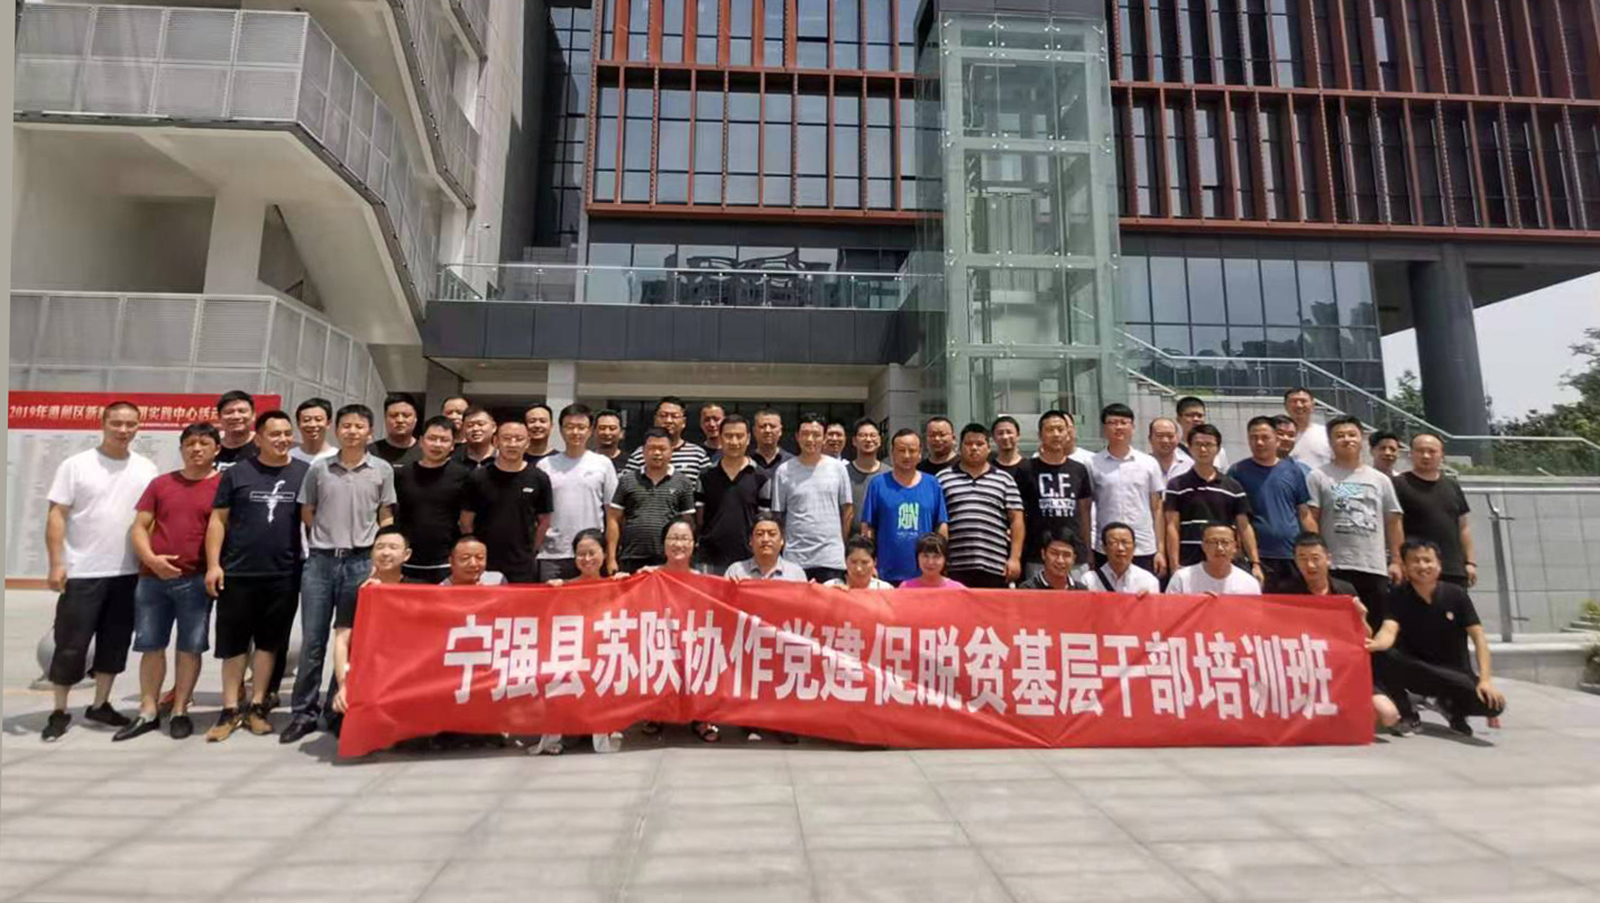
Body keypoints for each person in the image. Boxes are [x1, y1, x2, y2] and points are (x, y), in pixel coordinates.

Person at [40, 401, 159, 741]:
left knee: (115, 642)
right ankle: (59, 711)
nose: (123, 430)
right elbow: (57, 515)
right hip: (82, 571)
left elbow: (149, 519)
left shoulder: (146, 468)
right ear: (103, 423)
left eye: (130, 424)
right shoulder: (76, 465)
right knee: (70, 643)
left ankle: (100, 704)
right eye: (117, 423)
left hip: (128, 572)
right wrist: (57, 563)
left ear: (139, 426)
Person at [282, 404, 397, 745]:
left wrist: (380, 555)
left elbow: (385, 513)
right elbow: (307, 511)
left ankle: (337, 709)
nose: (352, 431)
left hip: (361, 562)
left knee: (351, 639)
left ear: (370, 432)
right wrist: (325, 538)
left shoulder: (382, 469)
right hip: (320, 562)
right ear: (337, 430)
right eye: (346, 426)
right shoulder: (319, 468)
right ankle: (303, 712)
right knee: (313, 640)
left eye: (359, 426)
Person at [204, 411, 310, 742]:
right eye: (275, 434)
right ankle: (229, 708)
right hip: (238, 572)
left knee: (269, 644)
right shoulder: (237, 473)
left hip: (284, 573)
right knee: (233, 644)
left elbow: (311, 520)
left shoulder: (304, 473)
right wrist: (213, 565)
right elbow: (218, 520)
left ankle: (258, 705)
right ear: (259, 438)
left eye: (287, 433)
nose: (283, 439)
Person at [119, 422, 221, 741]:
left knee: (190, 647)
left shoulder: (223, 486)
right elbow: (139, 526)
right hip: (153, 580)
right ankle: (148, 710)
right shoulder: (161, 484)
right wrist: (151, 560)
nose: (196, 449)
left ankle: (179, 709)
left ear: (217, 449)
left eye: (204, 443)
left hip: (196, 580)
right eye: (190, 443)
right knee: (151, 645)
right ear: (181, 449)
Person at [1269, 532, 1402, 730]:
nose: (1310, 565)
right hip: (1301, 669)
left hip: (1342, 669)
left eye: (1315, 558)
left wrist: (1362, 617)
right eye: (1302, 558)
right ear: (1295, 561)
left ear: (1328, 559)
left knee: (1388, 715)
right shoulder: (1285, 590)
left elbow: (1365, 637)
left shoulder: (1345, 589)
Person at [1374, 539, 1506, 736]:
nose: (1422, 566)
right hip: (1417, 669)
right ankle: (1407, 714)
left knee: (1493, 705)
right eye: (1415, 561)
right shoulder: (1397, 596)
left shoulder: (1456, 595)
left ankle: (1452, 708)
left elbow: (1479, 637)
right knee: (1383, 655)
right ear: (1405, 566)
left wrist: (1485, 680)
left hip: (1453, 672)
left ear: (1439, 565)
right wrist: (1376, 643)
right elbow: (1388, 630)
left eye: (1428, 560)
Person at [537, 527, 628, 756]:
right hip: (573, 657)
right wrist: (551, 592)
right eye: (580, 554)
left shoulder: (617, 585)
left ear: (605, 554)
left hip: (605, 656)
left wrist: (628, 583)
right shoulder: (563, 586)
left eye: (592, 553)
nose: (586, 559)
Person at [1307, 415, 1405, 619]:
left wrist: (1397, 560)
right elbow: (1311, 518)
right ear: (1330, 441)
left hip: (1374, 567)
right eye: (1340, 435)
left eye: (1352, 434)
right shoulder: (1318, 476)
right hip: (1336, 566)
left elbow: (1393, 522)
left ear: (1362, 439)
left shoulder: (1380, 480)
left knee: (1375, 626)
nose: (1347, 439)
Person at [328, 527, 421, 723]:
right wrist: (343, 684)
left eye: (393, 547)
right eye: (380, 547)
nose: (385, 553)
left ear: (407, 555)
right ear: (371, 553)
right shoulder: (357, 592)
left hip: (403, 674)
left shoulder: (418, 590)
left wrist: (387, 597)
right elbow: (342, 641)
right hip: (366, 672)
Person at [459, 420, 553, 584]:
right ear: (496, 441)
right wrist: (477, 553)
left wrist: (531, 550)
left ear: (527, 442)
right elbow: (466, 521)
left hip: (522, 563)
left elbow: (544, 521)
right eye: (507, 438)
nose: (512, 444)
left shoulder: (539, 478)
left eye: (519, 439)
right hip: (484, 563)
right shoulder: (478, 477)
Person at [1164, 424, 1261, 579]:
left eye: (1208, 445)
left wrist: (1255, 563)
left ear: (1218, 449)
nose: (1203, 449)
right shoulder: (1176, 485)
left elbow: (1244, 527)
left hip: (1224, 559)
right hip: (1189, 559)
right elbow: (1172, 526)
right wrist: (1174, 564)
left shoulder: (1233, 487)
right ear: (1189, 447)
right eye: (1198, 444)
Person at [536, 404, 620, 582]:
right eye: (569, 427)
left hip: (592, 555)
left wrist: (611, 556)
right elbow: (538, 515)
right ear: (560, 430)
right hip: (552, 555)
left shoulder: (603, 464)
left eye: (581, 427)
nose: (575, 432)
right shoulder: (545, 465)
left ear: (590, 431)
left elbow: (612, 515)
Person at [1230, 416, 1317, 587]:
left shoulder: (1294, 471)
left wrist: (1315, 545)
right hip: (1256, 557)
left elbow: (1304, 514)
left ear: (1277, 440)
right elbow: (1232, 516)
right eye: (1254, 438)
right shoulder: (1237, 471)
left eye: (1265, 437)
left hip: (1291, 555)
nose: (1259, 442)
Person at [936, 423, 1024, 588]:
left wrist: (1014, 558)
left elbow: (1017, 520)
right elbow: (938, 522)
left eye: (979, 444)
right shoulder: (942, 478)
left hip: (995, 565)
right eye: (969, 444)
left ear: (989, 448)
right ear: (960, 447)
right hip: (955, 565)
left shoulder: (1004, 479)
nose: (974, 448)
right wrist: (941, 558)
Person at [770, 414, 853, 583]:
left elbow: (848, 510)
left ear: (824, 438)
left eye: (816, 435)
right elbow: (778, 515)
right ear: (797, 437)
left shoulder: (838, 468)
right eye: (805, 434)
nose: (810, 439)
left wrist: (840, 542)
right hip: (795, 559)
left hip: (830, 558)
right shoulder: (784, 471)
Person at [860, 429, 949, 586]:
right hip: (886, 572)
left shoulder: (932, 484)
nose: (907, 456)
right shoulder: (878, 484)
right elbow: (868, 528)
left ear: (920, 453)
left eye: (912, 450)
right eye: (901, 450)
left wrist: (940, 562)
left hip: (925, 573)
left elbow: (941, 526)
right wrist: (869, 561)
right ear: (892, 453)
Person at [1016, 410, 1094, 582]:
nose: (1056, 434)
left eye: (1060, 429)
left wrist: (1088, 550)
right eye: (1050, 430)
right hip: (1037, 554)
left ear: (1068, 433)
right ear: (1040, 435)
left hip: (1074, 555)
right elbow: (1018, 515)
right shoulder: (1026, 469)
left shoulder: (1079, 469)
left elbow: (1084, 512)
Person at [1089, 403, 1167, 576]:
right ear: (1104, 428)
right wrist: (1089, 548)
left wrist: (1160, 549)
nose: (1118, 427)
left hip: (1143, 545)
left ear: (1133, 427)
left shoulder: (1148, 463)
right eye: (1112, 422)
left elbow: (1157, 509)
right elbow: (1086, 508)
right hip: (1105, 547)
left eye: (1124, 422)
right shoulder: (1093, 463)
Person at [608, 428, 698, 575]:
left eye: (662, 449)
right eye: (651, 448)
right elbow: (613, 518)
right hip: (631, 556)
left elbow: (688, 523)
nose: (657, 453)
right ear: (643, 451)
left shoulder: (683, 483)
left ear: (671, 451)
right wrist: (611, 558)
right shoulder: (627, 480)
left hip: (668, 559)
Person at [1392, 432, 1476, 587]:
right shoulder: (1398, 484)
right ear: (1411, 454)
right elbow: (1394, 526)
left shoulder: (1452, 485)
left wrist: (1470, 562)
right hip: (1417, 568)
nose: (1426, 455)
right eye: (1420, 451)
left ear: (1441, 455)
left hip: (1453, 569)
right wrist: (1398, 561)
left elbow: (1463, 526)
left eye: (1432, 451)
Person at [394, 416, 470, 582]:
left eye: (444, 440)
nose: (437, 444)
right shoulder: (402, 474)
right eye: (432, 438)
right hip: (406, 560)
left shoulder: (464, 476)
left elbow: (467, 520)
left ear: (452, 445)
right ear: (421, 441)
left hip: (446, 562)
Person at [696, 414, 768, 575]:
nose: (734, 442)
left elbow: (764, 520)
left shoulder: (761, 477)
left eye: (739, 436)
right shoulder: (705, 476)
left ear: (748, 439)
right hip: (710, 558)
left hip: (748, 559)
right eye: (728, 436)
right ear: (720, 439)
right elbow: (699, 519)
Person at [625, 396, 711, 484]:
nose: (668, 421)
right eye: (663, 416)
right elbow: (626, 485)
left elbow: (709, 486)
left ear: (684, 422)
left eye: (674, 416)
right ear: (655, 419)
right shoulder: (640, 455)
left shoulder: (698, 455)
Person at [1166, 523, 1263, 595]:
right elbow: (1169, 611)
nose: (1219, 548)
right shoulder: (1182, 578)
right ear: (1203, 546)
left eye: (1225, 542)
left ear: (1235, 547)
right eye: (1213, 542)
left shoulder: (1249, 583)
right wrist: (1196, 602)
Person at [724, 513, 808, 581]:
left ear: (782, 540)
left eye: (772, 534)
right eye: (760, 534)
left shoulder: (796, 575)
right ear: (751, 540)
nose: (765, 539)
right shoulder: (736, 572)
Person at [1082, 523, 1160, 595]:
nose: (1120, 548)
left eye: (1125, 542)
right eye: (1113, 543)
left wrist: (1147, 600)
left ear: (1134, 547)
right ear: (1104, 548)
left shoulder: (1148, 581)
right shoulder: (1089, 580)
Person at [1017, 527, 1089, 591]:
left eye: (1066, 555)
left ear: (1073, 559)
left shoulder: (1081, 591)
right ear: (1043, 554)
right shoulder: (1028, 589)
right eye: (1054, 553)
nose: (1060, 560)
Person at [845, 418, 885, 535]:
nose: (868, 439)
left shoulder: (889, 474)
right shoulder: (843, 473)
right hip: (851, 540)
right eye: (863, 435)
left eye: (873, 435)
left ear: (879, 440)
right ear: (854, 441)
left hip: (882, 538)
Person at [368, 394, 422, 468]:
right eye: (393, 415)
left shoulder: (426, 453)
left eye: (406, 415)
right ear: (385, 418)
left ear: (415, 419)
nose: (400, 420)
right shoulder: (369, 452)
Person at [1175, 396, 1230, 469]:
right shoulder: (1173, 451)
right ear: (1178, 419)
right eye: (1190, 415)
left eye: (1200, 415)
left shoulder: (1218, 451)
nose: (1196, 419)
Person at [1285, 387, 1332, 469]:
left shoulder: (1327, 433)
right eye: (1294, 401)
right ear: (1286, 406)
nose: (1299, 405)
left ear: (1313, 405)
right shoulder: (1278, 436)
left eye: (1303, 401)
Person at [898, 532, 964, 589]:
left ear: (945, 559)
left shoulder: (957, 589)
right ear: (917, 558)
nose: (930, 562)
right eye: (925, 556)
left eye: (936, 556)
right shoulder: (905, 587)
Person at [826, 536, 893, 589]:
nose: (858, 569)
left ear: (875, 562)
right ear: (845, 561)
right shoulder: (830, 587)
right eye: (853, 562)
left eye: (864, 562)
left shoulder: (885, 589)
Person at [214, 390, 258, 470]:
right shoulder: (211, 449)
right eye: (229, 412)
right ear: (219, 417)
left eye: (242, 411)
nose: (236, 417)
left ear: (253, 415)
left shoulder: (264, 447)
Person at [439, 535, 507, 585]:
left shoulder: (498, 581)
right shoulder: (441, 590)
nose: (473, 564)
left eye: (480, 557)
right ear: (451, 561)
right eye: (465, 558)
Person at [290, 398, 336, 465]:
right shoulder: (290, 457)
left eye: (318, 419)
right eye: (306, 420)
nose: (312, 425)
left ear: (328, 423)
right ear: (298, 424)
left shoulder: (338, 458)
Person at [1147, 417, 1192, 486]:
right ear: (1150, 439)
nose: (1165, 440)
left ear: (1177, 439)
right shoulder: (1142, 465)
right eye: (1160, 435)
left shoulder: (1189, 465)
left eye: (1170, 436)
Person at [751, 408, 793, 477]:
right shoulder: (746, 463)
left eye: (772, 426)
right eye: (762, 426)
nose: (767, 430)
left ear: (780, 431)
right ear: (754, 431)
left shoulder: (791, 463)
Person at [989, 415, 1026, 480]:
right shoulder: (987, 468)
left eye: (1009, 432)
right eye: (1000, 433)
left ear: (1018, 435)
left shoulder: (1029, 468)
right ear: (994, 438)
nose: (1005, 437)